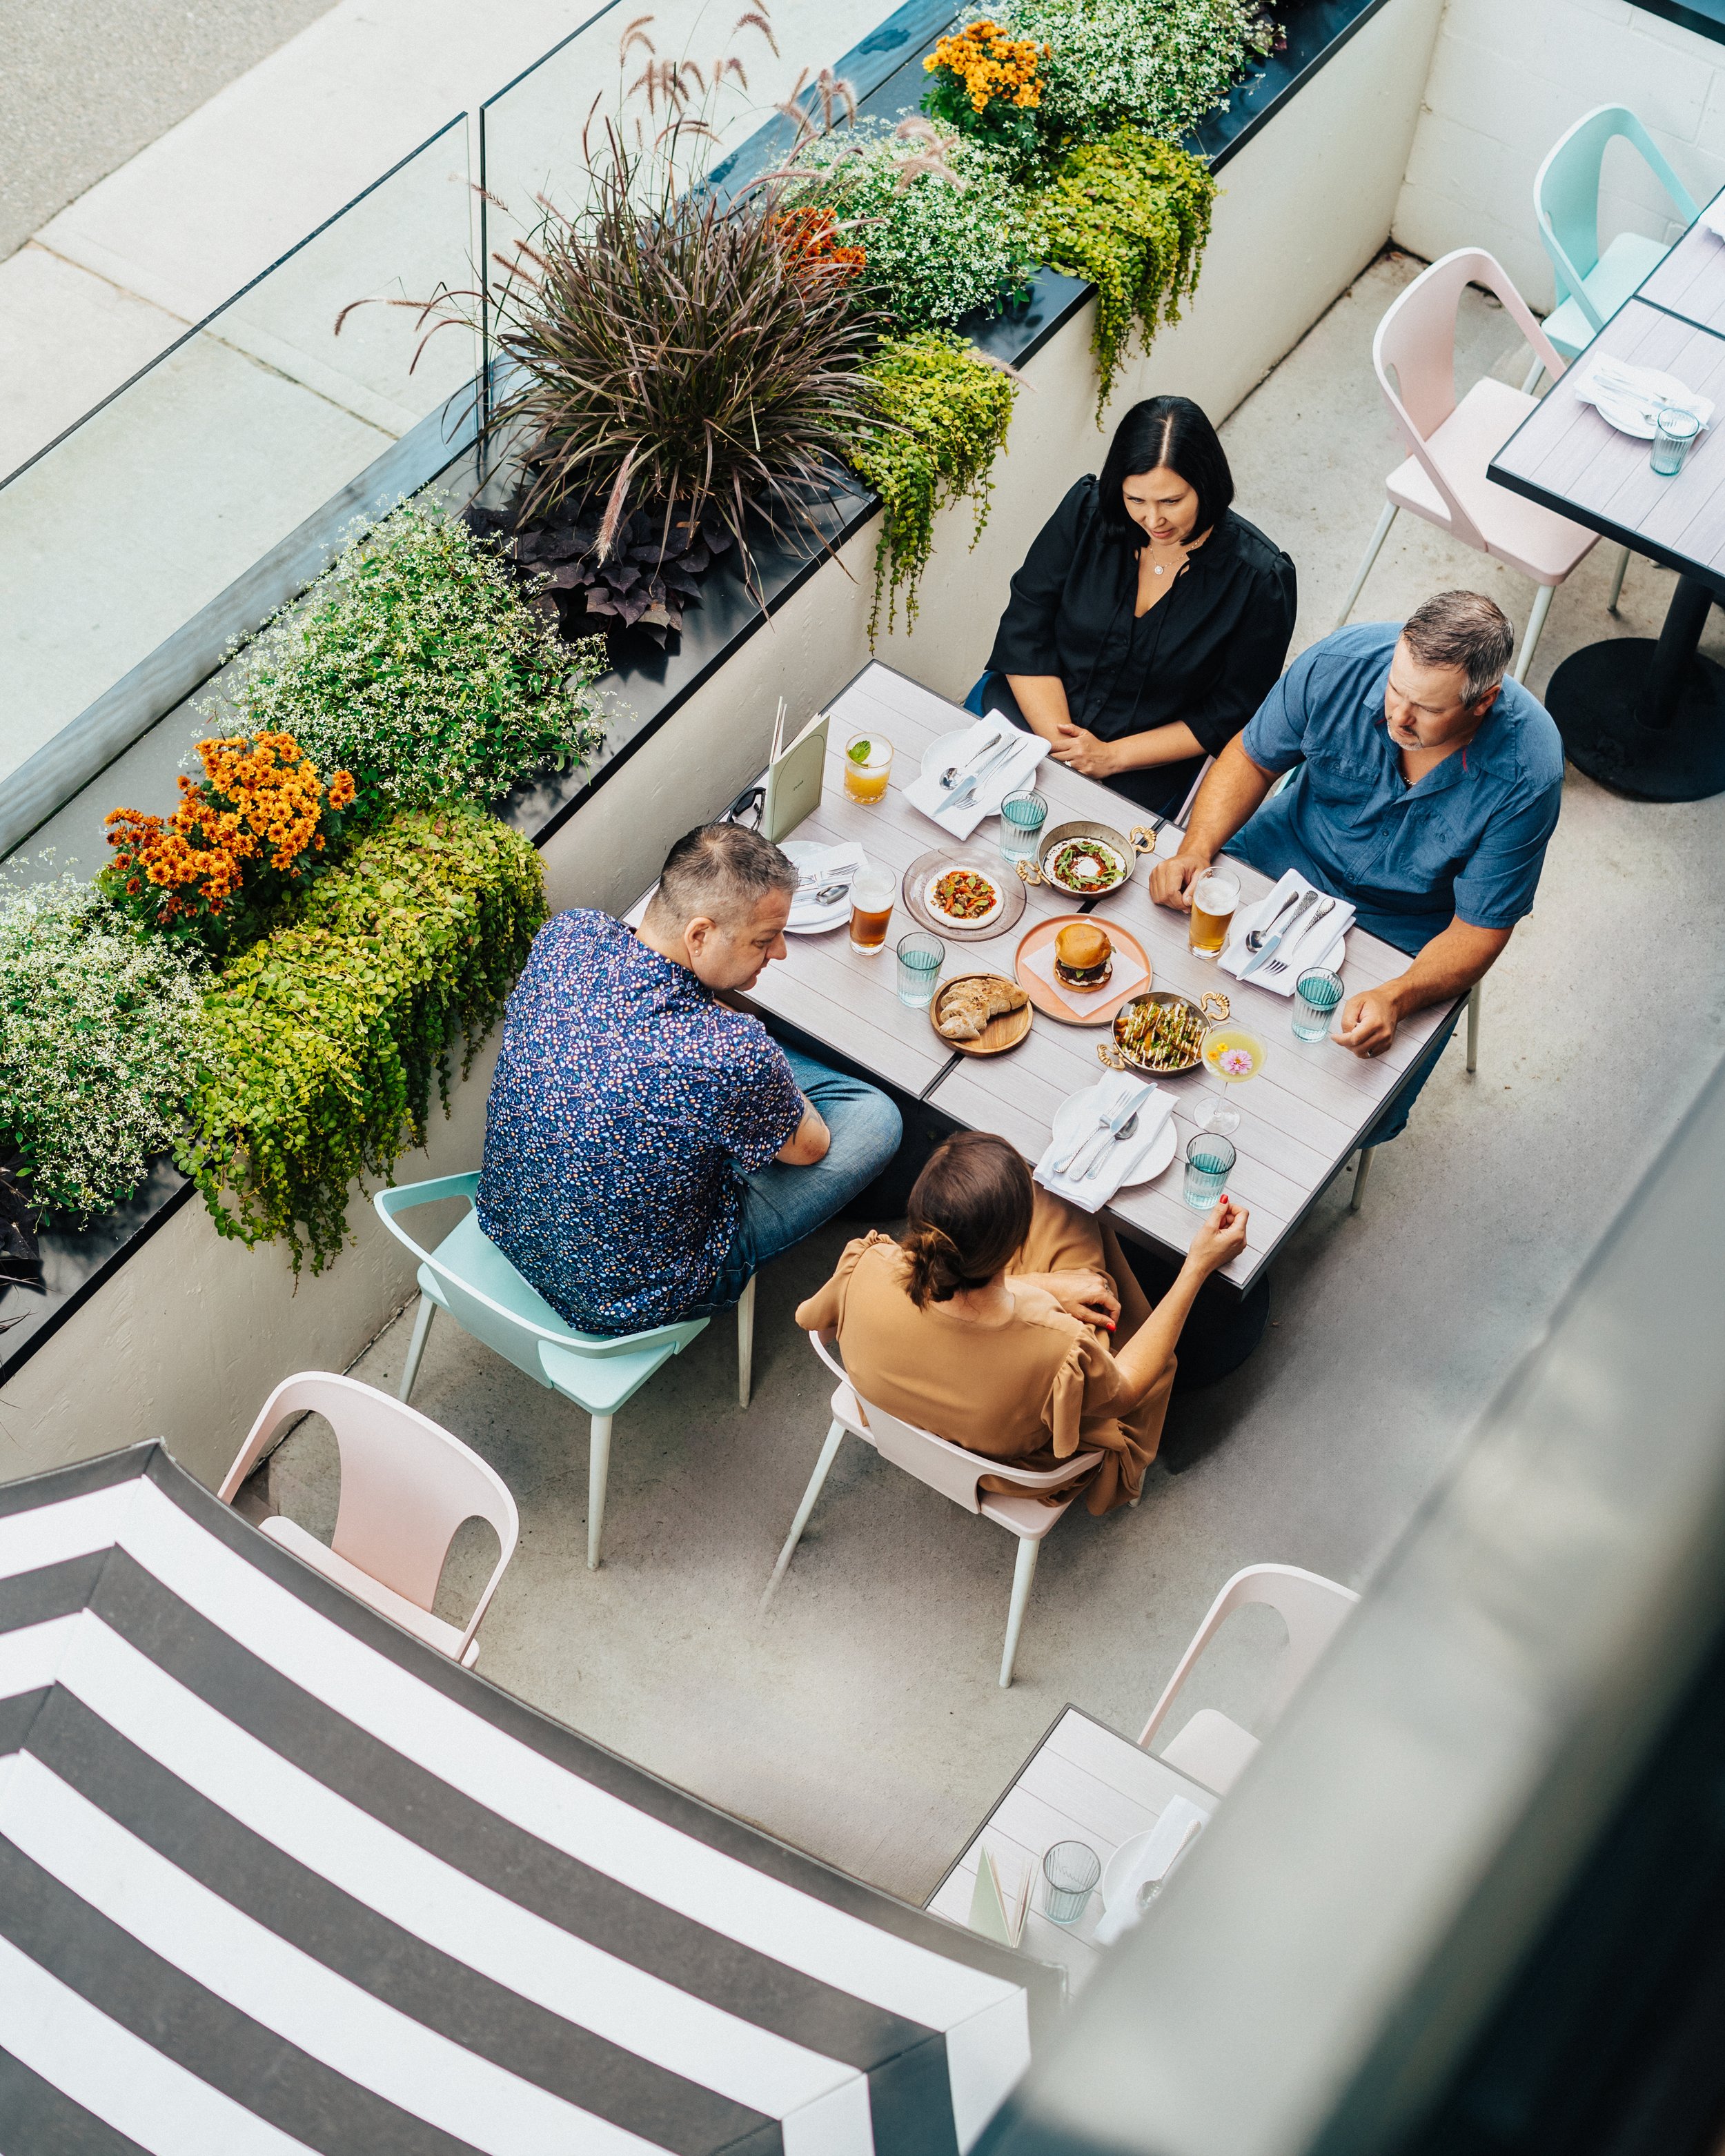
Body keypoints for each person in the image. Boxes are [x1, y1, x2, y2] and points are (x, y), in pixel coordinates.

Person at [1149, 589, 1564, 1141]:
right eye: (1395, 688)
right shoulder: (1338, 663)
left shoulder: (1529, 771)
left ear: (1483, 702)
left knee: (1340, 1105)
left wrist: (1400, 994)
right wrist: (1195, 848)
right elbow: (1252, 757)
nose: (1399, 715)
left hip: (1405, 922)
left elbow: (1480, 928)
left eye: (1428, 708)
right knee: (1164, 971)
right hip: (1286, 851)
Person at [477, 823, 903, 1335]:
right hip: (624, 1299)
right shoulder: (730, 1052)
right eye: (765, 940)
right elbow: (812, 1148)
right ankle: (753, 1118)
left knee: (731, 1092)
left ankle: (746, 1115)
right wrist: (756, 1055)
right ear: (699, 935)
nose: (780, 953)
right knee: (877, 1116)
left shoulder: (570, 932)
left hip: (511, 1221)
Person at [795, 1131, 1248, 1514]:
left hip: (890, 1416)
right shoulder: (1057, 1348)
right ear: (1013, 1248)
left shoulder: (870, 1264)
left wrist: (1043, 1286)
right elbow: (1127, 1389)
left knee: (1069, 1233)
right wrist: (1197, 1266)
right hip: (1011, 1470)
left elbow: (808, 1318)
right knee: (1086, 1258)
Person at [971, 395, 1297, 820]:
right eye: (1136, 500)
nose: (1153, 520)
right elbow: (1026, 624)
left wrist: (1110, 757)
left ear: (1207, 484)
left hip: (1139, 768)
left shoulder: (1260, 579)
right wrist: (1062, 747)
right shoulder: (1087, 512)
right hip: (1027, 715)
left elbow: (1230, 711)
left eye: (1172, 501)